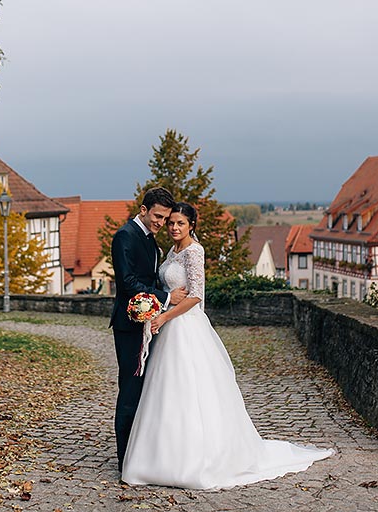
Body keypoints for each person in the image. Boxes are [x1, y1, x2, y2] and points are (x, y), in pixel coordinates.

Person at [121, 202, 333, 490]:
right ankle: (160, 456)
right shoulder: (171, 252)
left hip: (185, 326)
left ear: (191, 225)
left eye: (180, 223)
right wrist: (163, 306)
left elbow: (196, 296)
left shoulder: (195, 252)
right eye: (170, 222)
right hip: (170, 328)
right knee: (166, 390)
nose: (173, 227)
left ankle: (196, 458)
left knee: (192, 390)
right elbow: (171, 290)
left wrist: (164, 316)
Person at [110, 186, 187, 471]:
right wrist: (167, 297)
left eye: (165, 218)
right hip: (129, 325)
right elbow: (127, 283)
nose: (160, 223)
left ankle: (141, 452)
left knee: (146, 388)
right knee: (130, 389)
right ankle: (124, 459)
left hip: (149, 321)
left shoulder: (150, 240)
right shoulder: (124, 237)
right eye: (157, 216)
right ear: (143, 210)